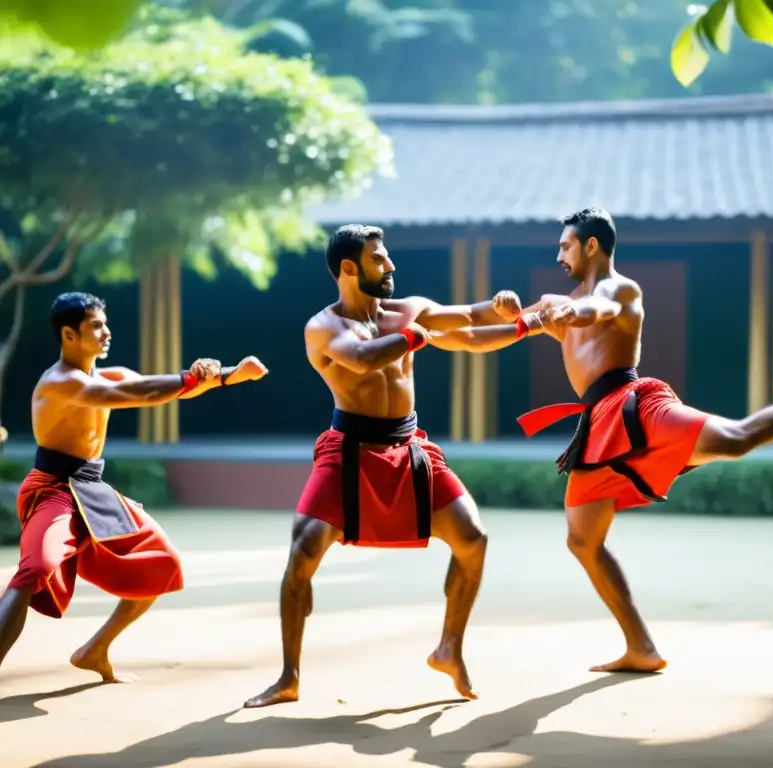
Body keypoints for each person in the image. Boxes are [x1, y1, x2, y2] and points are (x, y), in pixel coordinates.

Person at [496, 207, 773, 674]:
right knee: (583, 541)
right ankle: (641, 647)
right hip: (597, 426)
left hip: (635, 406)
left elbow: (597, 307)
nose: (558, 254)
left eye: (565, 245)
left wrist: (572, 310)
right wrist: (500, 313)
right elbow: (492, 331)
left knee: (737, 439)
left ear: (591, 246)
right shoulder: (553, 303)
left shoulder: (619, 289)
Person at [243, 224, 535, 709]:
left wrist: (513, 313)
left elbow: (470, 325)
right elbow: (360, 360)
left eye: (388, 256)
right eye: (379, 259)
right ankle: (289, 676)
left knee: (472, 539)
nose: (391, 266)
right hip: (348, 447)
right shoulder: (324, 326)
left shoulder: (408, 311)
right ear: (349, 269)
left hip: (408, 445)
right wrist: (414, 336)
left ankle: (449, 649)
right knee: (303, 553)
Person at [0, 292, 268, 682]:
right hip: (53, 489)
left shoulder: (110, 374)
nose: (107, 332)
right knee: (35, 569)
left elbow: (156, 386)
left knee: (162, 563)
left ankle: (95, 649)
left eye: (105, 323)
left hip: (91, 489)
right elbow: (133, 396)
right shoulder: (59, 383)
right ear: (69, 335)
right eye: (96, 326)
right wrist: (193, 377)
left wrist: (226, 375)